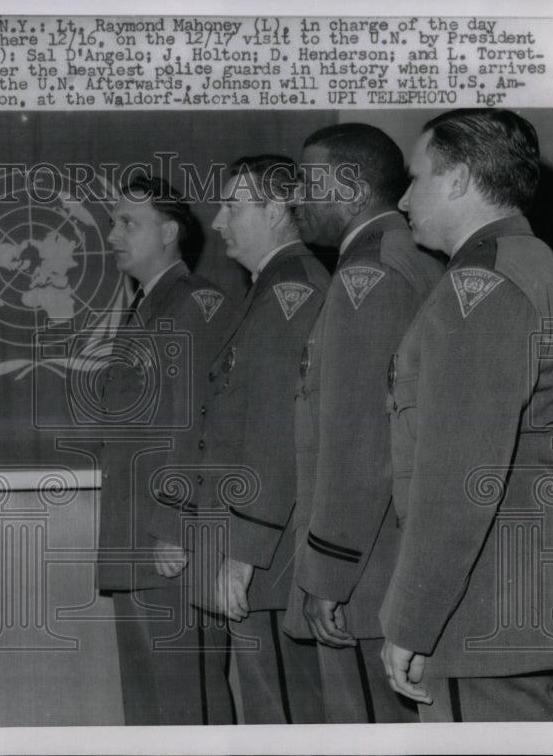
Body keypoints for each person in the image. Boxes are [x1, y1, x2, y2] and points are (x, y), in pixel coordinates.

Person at [380, 109, 553, 721]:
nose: (406, 198)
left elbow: (458, 477)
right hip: (512, 606)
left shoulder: (482, 284)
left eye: (417, 178)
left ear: (460, 178)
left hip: (478, 617)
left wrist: (412, 620)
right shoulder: (528, 262)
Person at [281, 123, 444, 723]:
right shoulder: (413, 259)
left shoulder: (364, 276)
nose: (294, 198)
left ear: (348, 191)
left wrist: (327, 575)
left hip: (366, 577)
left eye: (305, 182)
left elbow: (359, 446)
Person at [161, 156, 329, 724]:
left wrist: (245, 552)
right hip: (252, 543)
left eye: (234, 205)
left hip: (269, 553)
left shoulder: (292, 292)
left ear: (279, 210)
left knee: (284, 714)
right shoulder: (269, 289)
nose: (218, 220)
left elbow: (277, 432)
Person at [95, 175, 234, 725]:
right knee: (151, 709)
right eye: (112, 222)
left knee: (186, 707)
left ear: (171, 232)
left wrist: (175, 525)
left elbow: (200, 426)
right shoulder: (148, 307)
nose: (112, 235)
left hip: (171, 542)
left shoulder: (195, 306)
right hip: (139, 541)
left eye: (128, 222)